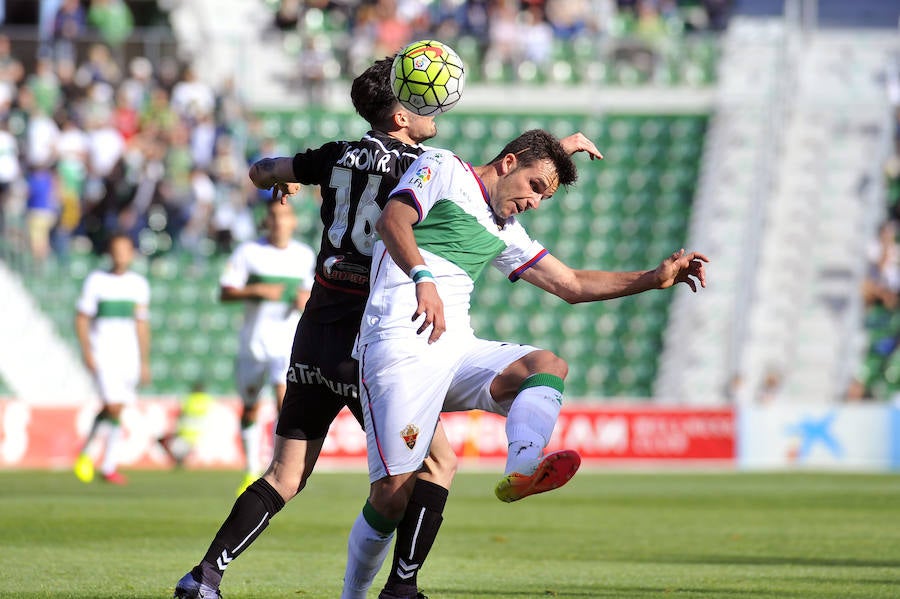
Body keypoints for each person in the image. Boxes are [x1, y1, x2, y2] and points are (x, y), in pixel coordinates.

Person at [172, 56, 601, 599]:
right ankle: (398, 588)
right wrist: (557, 146)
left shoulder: (333, 157)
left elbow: (262, 170)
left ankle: (205, 575)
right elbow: (478, 180)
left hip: (315, 327)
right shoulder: (425, 166)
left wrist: (280, 182)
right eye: (424, 106)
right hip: (368, 336)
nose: (434, 113)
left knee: (285, 474)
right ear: (401, 113)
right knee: (435, 465)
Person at [341, 129, 708, 599]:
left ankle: (521, 469)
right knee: (393, 493)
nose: (536, 202)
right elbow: (393, 221)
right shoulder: (444, 168)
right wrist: (423, 277)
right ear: (509, 162)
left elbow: (572, 284)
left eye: (546, 197)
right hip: (398, 345)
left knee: (547, 364)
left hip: (456, 349)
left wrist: (653, 278)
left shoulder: (505, 231)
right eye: (536, 187)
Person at [219, 199, 316, 494]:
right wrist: (255, 290)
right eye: (273, 216)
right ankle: (250, 467)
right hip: (253, 343)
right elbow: (225, 292)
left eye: (284, 216)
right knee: (250, 408)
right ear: (266, 222)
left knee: (283, 399)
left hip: (286, 341)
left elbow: (309, 295)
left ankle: (278, 467)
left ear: (293, 221)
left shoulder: (303, 255)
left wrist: (304, 301)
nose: (278, 222)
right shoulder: (248, 253)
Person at [73, 232, 151, 485]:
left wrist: (144, 361)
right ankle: (99, 461)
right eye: (116, 250)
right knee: (113, 405)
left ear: (131, 254)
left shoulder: (138, 284)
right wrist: (86, 351)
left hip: (127, 354)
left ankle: (102, 462)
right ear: (110, 253)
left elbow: (141, 325)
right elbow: (82, 318)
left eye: (125, 250)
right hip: (102, 351)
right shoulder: (96, 281)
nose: (120, 255)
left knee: (116, 408)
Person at [158, 381, 215, 468]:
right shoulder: (208, 399)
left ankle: (178, 459)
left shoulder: (189, 399)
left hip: (185, 433)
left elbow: (182, 414)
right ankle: (180, 459)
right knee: (175, 444)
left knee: (162, 440)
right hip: (200, 434)